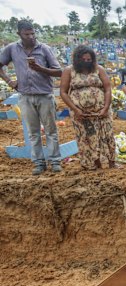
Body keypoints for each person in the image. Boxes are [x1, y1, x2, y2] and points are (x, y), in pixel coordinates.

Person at [0, 20, 63, 175]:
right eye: (27, 34)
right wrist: (9, 81)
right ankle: (38, 163)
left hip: (44, 95)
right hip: (25, 96)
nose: (31, 37)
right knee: (33, 131)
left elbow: (59, 71)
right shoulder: (12, 49)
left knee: (50, 129)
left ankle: (55, 161)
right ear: (19, 34)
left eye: (33, 33)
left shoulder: (44, 49)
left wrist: (41, 69)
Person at [60, 45, 117, 170]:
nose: (86, 62)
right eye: (83, 60)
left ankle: (112, 162)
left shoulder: (98, 69)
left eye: (89, 60)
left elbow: (107, 88)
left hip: (101, 111)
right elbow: (63, 92)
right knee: (87, 137)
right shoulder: (69, 71)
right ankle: (95, 164)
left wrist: (106, 108)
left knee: (106, 135)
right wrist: (76, 110)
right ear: (77, 59)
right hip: (81, 113)